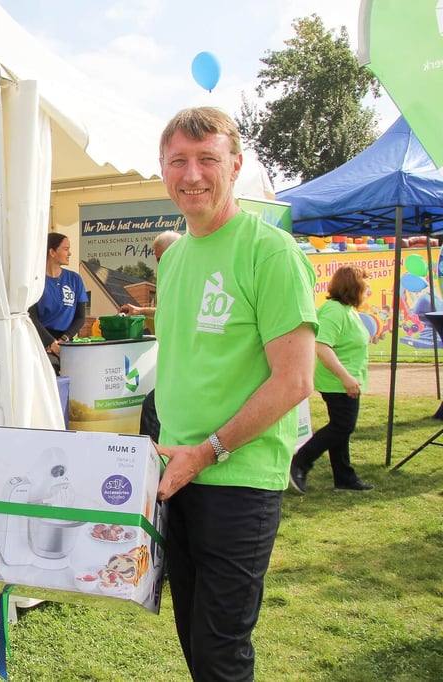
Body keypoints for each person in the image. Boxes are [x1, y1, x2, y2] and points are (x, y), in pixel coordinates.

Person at [153, 107, 317, 681]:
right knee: (194, 641)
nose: (191, 174)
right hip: (177, 475)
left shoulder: (270, 251)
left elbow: (294, 381)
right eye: (179, 161)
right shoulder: (172, 259)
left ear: (236, 166)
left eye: (207, 160)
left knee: (222, 650)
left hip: (238, 478)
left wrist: (208, 451)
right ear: (163, 168)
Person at [290, 266, 374, 493]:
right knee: (342, 425)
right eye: (365, 285)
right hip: (338, 382)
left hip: (344, 381)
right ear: (354, 286)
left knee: (341, 428)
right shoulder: (334, 311)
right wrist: (346, 377)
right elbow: (322, 346)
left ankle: (344, 477)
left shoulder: (346, 310)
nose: (368, 290)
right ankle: (300, 463)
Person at [116, 230, 182, 443]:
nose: (160, 264)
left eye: (161, 258)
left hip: (186, 362)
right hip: (176, 360)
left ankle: (154, 462)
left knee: (152, 408)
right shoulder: (175, 276)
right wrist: (140, 310)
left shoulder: (187, 276)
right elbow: (168, 311)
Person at [29, 232, 88, 373]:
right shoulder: (36, 281)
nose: (70, 253)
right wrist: (51, 343)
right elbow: (32, 317)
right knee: (50, 370)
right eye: (66, 249)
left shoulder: (75, 279)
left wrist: (64, 340)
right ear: (52, 252)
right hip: (42, 342)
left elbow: (80, 317)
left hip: (66, 341)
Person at [118, 230, 182, 318]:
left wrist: (140, 310)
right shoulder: (168, 279)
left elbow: (176, 312)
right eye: (159, 261)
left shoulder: (189, 278)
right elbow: (164, 311)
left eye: (162, 260)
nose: (160, 265)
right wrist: (138, 311)